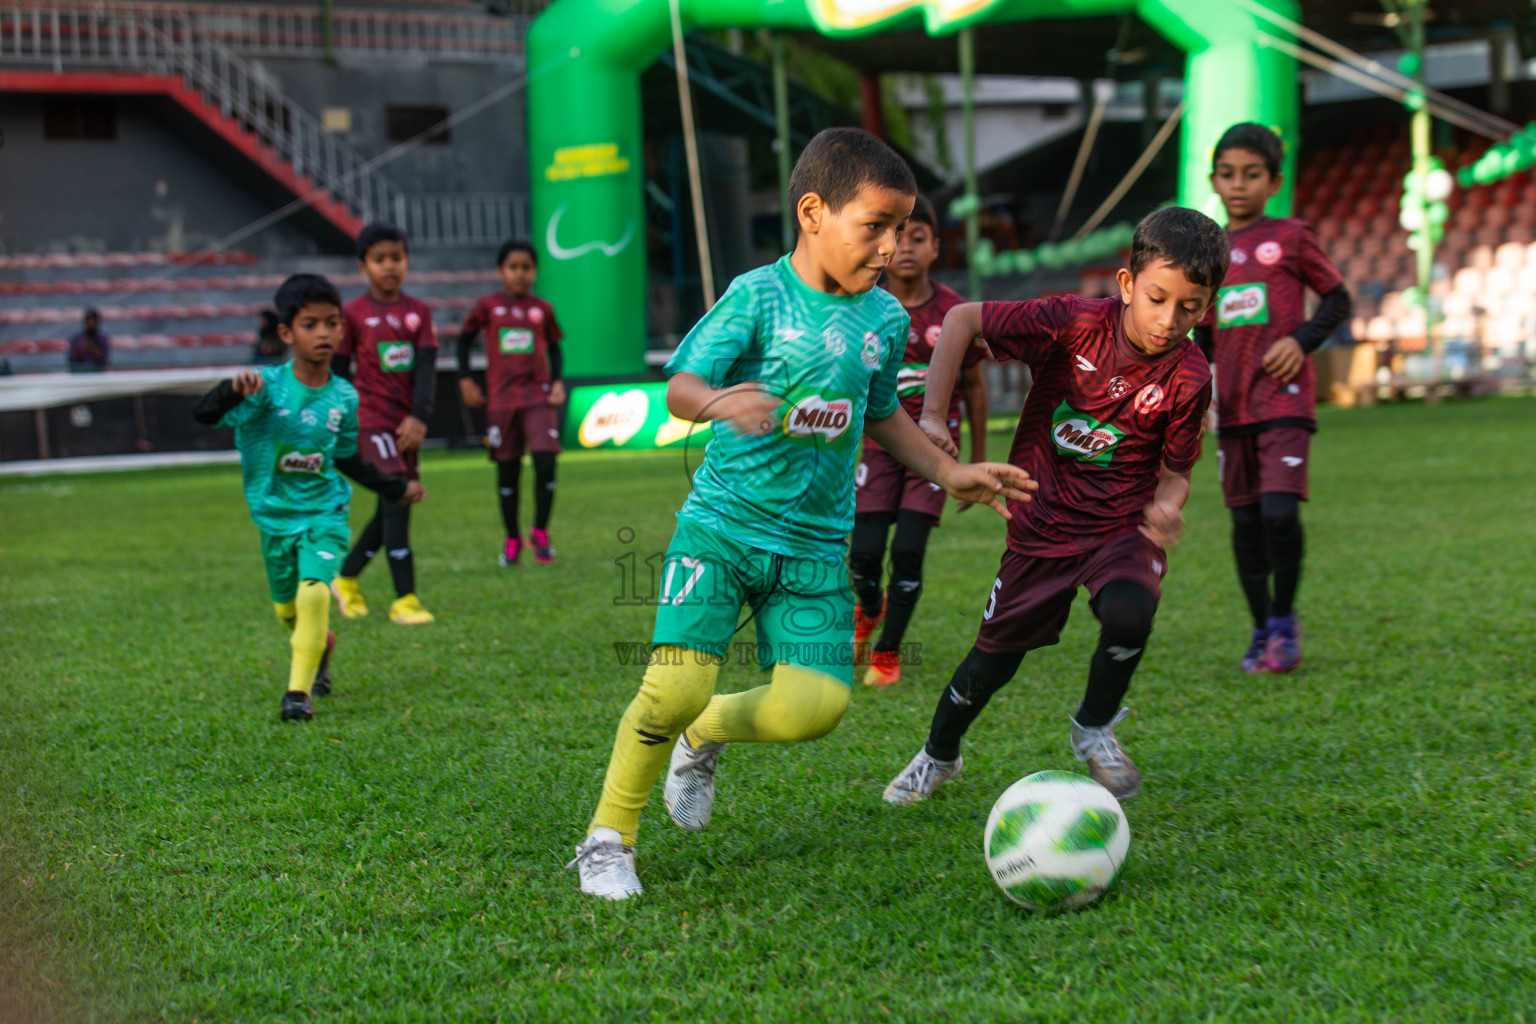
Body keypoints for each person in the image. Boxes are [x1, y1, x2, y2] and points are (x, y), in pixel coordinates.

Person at [566, 127, 1035, 900]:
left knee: (813, 708)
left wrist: (949, 471)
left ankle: (705, 732)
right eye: (873, 226)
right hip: (722, 529)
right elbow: (680, 387)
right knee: (673, 683)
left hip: (816, 548)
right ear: (813, 212)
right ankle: (609, 837)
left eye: (899, 229)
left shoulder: (884, 321)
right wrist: (721, 399)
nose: (889, 246)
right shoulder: (756, 295)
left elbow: (882, 414)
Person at [881, 206, 1228, 808]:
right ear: (1126, 285)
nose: (1170, 320)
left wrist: (1169, 506)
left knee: (1129, 610)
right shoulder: (1073, 321)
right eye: (1157, 298)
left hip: (1121, 528)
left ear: (1208, 306)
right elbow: (962, 320)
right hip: (1039, 524)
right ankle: (938, 755)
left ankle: (1093, 727)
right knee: (992, 661)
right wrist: (934, 415)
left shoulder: (1191, 376)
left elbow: (1175, 474)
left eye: (1190, 308)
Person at [192, 274, 425, 720]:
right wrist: (229, 390)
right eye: (310, 324)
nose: (323, 333)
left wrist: (398, 487)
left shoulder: (343, 395)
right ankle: (321, 645)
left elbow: (348, 459)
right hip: (273, 517)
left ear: (342, 329)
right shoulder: (264, 387)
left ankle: (298, 694)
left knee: (316, 591)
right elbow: (203, 414)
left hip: (325, 512)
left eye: (332, 323)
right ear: (286, 332)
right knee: (287, 610)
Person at [1199, 122, 1352, 674]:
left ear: (1274, 181)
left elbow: (1338, 299)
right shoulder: (1207, 247)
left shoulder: (1291, 236)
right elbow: (1204, 332)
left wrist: (1300, 339)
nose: (1238, 184)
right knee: (1245, 526)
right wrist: (1203, 387)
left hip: (1284, 402)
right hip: (1233, 408)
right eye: (1228, 174)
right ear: (1213, 180)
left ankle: (1285, 620)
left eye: (1252, 174)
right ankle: (1261, 627)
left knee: (1278, 514)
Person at [849, 194, 990, 687]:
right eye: (898, 236)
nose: (906, 248)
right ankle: (869, 608)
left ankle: (887, 654)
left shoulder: (955, 312)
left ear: (935, 248)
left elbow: (973, 386)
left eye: (918, 238)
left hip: (935, 452)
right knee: (862, 555)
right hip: (876, 448)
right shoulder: (865, 304)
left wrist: (974, 458)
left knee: (907, 552)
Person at [330, 224, 439, 626]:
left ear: (406, 261)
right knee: (397, 499)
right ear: (364, 266)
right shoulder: (353, 314)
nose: (389, 266)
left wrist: (418, 417)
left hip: (406, 424)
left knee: (395, 501)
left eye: (396, 258)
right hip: (369, 422)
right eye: (379, 259)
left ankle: (346, 578)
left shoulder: (419, 313)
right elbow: (339, 374)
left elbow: (427, 371)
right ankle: (405, 599)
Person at [456, 240, 566, 566]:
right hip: (501, 402)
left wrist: (557, 381)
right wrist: (465, 380)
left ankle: (540, 532)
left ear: (534, 271)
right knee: (508, 470)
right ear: (500, 271)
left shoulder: (542, 309)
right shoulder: (487, 306)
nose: (520, 274)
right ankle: (512, 538)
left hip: (537, 398)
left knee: (546, 459)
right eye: (513, 267)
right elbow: (463, 341)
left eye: (526, 268)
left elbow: (556, 349)